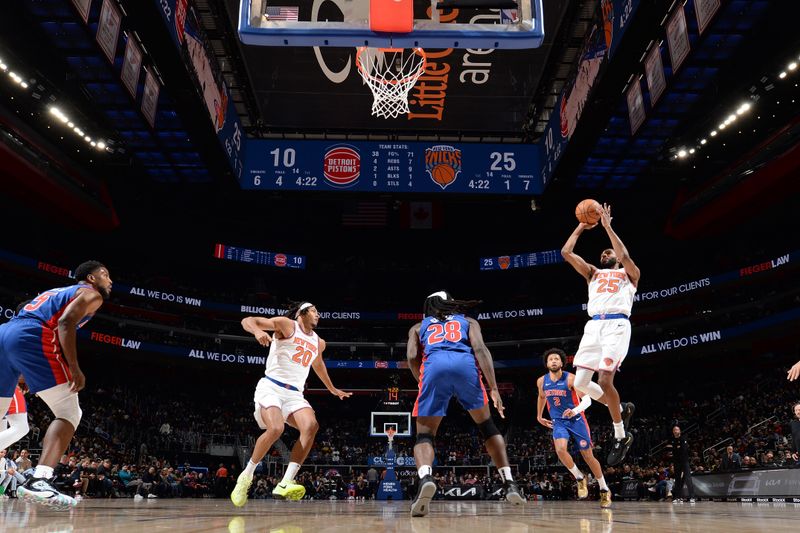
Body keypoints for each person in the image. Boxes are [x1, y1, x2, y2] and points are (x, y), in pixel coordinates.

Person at [0, 261, 111, 508]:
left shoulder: (56, 292)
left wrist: (25, 371)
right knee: (70, 412)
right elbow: (65, 324)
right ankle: (40, 479)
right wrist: (74, 368)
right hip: (31, 336)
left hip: (5, 333)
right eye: (105, 275)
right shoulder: (91, 294)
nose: (110, 280)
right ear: (91, 278)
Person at [406, 291, 523, 517]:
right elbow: (480, 349)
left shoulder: (418, 327)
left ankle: (426, 478)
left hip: (434, 367)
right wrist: (494, 388)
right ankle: (510, 483)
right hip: (465, 366)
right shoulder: (468, 321)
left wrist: (422, 379)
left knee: (425, 436)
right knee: (488, 427)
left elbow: (412, 357)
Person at [231, 302, 351, 507]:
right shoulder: (287, 325)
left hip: (294, 394)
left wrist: (332, 388)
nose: (318, 314)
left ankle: (286, 482)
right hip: (272, 387)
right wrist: (258, 331)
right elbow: (247, 320)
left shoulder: (319, 342)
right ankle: (247, 475)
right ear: (301, 313)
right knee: (276, 428)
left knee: (311, 426)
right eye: (314, 310)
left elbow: (318, 364)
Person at [561, 203, 638, 465]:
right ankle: (620, 408)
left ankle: (620, 435)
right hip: (593, 327)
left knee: (605, 380)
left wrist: (607, 227)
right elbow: (566, 251)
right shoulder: (592, 272)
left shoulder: (629, 274)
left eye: (610, 252)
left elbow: (625, 255)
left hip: (616, 326)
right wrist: (582, 226)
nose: (606, 253)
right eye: (604, 252)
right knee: (580, 384)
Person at [537, 348, 612, 508]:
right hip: (558, 421)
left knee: (588, 456)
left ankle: (604, 488)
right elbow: (541, 396)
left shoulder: (571, 379)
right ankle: (579, 477)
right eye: (551, 359)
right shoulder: (541, 381)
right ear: (547, 363)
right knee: (560, 450)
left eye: (557, 359)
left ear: (562, 363)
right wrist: (539, 416)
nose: (554, 361)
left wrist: (575, 410)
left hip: (577, 420)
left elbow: (588, 400)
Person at [666, 425, 695, 504]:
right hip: (676, 462)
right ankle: (677, 497)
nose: (676, 431)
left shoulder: (683, 438)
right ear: (673, 432)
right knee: (677, 480)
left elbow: (684, 449)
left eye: (677, 429)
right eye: (674, 429)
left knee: (688, 479)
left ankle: (692, 497)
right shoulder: (671, 440)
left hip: (684, 461)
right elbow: (668, 449)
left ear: (679, 431)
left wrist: (674, 449)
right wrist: (676, 448)